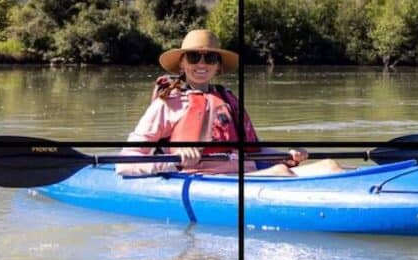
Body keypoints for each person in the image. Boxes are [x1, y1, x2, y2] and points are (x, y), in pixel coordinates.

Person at [118, 29, 342, 177]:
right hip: (210, 181)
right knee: (280, 173)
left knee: (330, 166)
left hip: (249, 173)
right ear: (182, 63)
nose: (202, 64)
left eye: (210, 58)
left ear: (218, 66)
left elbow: (254, 149)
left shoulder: (228, 100)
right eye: (194, 57)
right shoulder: (167, 104)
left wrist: (287, 155)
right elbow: (124, 163)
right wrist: (173, 162)